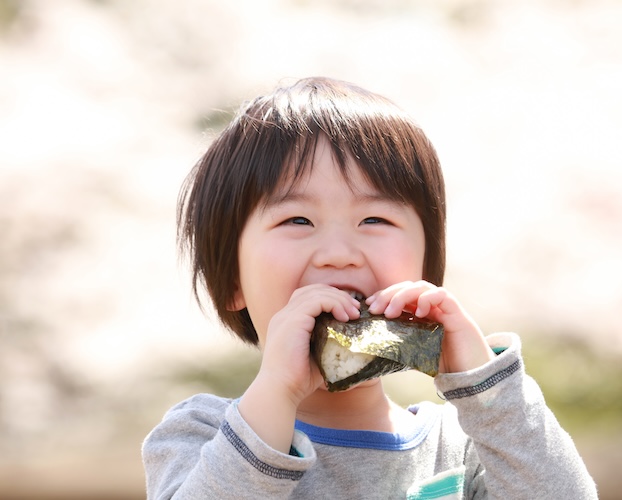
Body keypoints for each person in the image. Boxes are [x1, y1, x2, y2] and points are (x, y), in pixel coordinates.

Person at [142, 77, 597, 499]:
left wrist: (486, 390)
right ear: (233, 282)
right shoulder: (201, 435)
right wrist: (279, 388)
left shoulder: (461, 447)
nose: (339, 253)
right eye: (297, 219)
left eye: (374, 219)